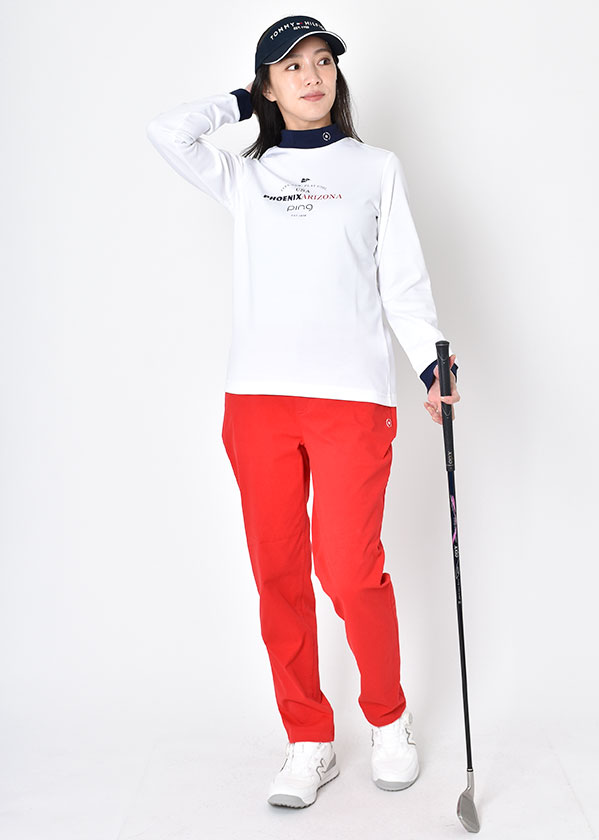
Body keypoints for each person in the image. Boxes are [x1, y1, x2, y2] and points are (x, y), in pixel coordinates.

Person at [146, 14, 460, 809]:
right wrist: (237, 103)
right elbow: (167, 133)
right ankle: (309, 739)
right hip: (257, 402)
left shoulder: (375, 168)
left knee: (349, 571)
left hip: (352, 399)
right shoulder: (246, 176)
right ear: (268, 85)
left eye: (322, 61)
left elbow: (402, 280)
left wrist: (432, 363)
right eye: (290, 67)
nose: (312, 75)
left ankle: (388, 720)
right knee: (277, 574)